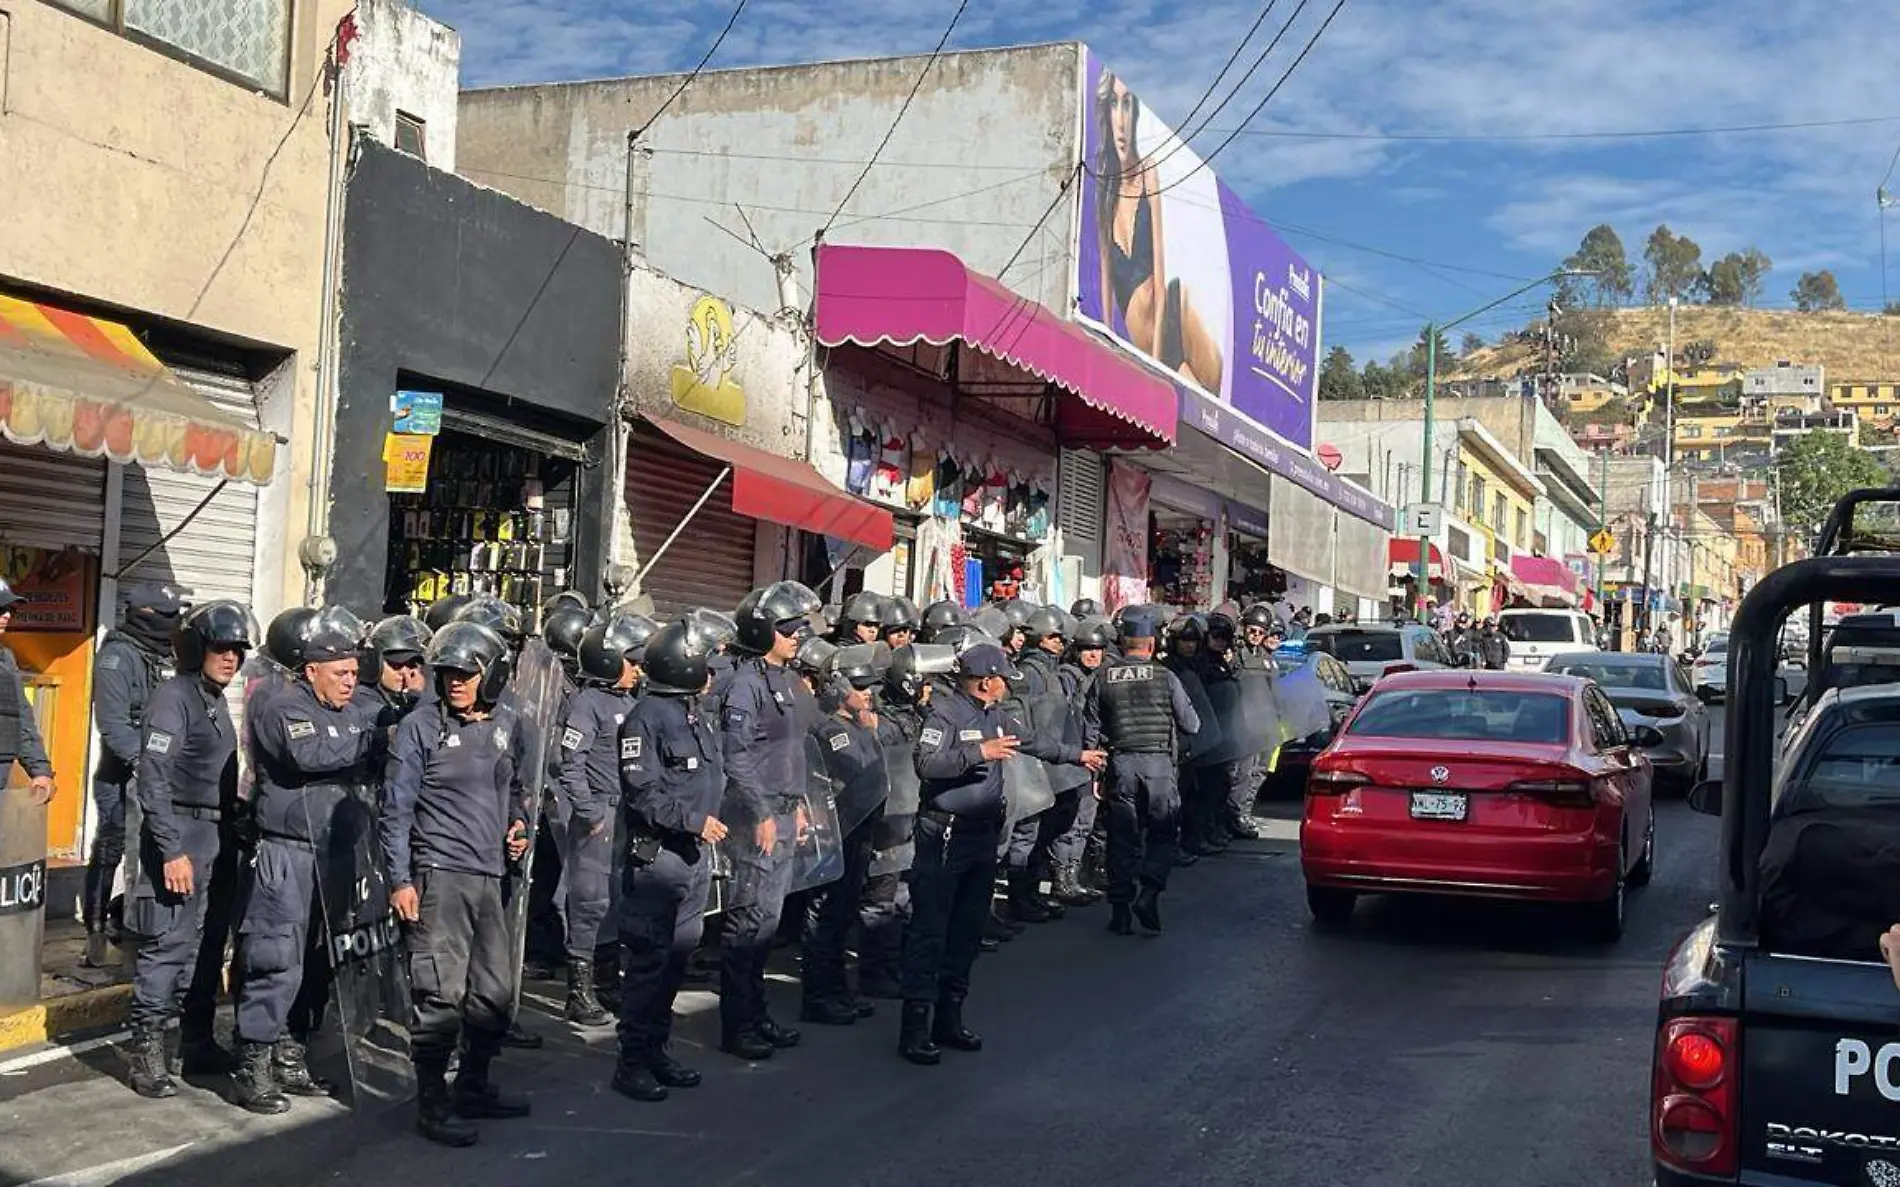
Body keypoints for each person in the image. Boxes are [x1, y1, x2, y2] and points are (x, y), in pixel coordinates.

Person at [381, 622, 535, 1147]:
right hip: (439, 877)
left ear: (490, 675)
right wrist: (401, 880)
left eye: (466, 675)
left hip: (490, 877)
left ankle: (474, 1085)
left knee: (494, 994)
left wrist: (517, 829)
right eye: (447, 674)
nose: (455, 683)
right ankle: (432, 1102)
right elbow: (395, 809)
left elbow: (516, 792)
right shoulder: (419, 729)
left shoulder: (509, 725)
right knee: (441, 995)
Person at [233, 606, 377, 1115]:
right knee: (276, 957)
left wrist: (353, 734)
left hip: (336, 855)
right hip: (287, 853)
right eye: (340, 674)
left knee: (320, 959)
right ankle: (253, 1058)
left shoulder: (351, 707)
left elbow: (366, 729)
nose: (349, 683)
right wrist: (360, 739)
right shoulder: (279, 703)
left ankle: (290, 1048)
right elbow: (309, 756)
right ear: (310, 669)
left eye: (355, 673)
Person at [121, 600, 253, 1098]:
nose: (231, 659)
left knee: (206, 946)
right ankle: (147, 1052)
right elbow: (152, 777)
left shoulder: (215, 701)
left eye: (237, 651)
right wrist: (172, 849)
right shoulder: (172, 698)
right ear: (196, 647)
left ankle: (196, 1039)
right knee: (169, 944)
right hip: (179, 833)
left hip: (215, 837)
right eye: (221, 648)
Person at [609, 616, 727, 1102]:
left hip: (694, 861)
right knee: (650, 963)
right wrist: (692, 821)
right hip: (659, 860)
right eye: (705, 663)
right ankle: (632, 1060)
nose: (713, 673)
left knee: (677, 960)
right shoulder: (646, 718)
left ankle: (656, 1049)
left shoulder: (692, 713)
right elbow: (643, 794)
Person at [897, 643, 1022, 1066]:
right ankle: (914, 1028)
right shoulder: (945, 713)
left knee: (967, 932)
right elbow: (926, 763)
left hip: (982, 838)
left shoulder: (995, 715)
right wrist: (978, 754)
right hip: (944, 837)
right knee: (931, 931)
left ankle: (948, 1018)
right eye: (1003, 677)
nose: (1006, 685)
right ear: (987, 681)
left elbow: (1033, 740)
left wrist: (1077, 755)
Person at [717, 581, 819, 1060]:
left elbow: (790, 751)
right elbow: (735, 758)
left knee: (767, 925)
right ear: (762, 631)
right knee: (747, 924)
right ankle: (737, 1025)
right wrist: (760, 814)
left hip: (781, 812)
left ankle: (757, 1014)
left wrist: (796, 805)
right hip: (753, 820)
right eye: (788, 628)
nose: (798, 635)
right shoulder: (743, 685)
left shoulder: (785, 679)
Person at [1092, 69, 1223, 391]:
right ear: (1105, 113)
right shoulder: (1103, 190)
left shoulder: (1149, 170)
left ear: (1135, 114)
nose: (1120, 117)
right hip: (1144, 336)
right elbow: (1107, 283)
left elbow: (1160, 270)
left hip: (1169, 320)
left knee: (1211, 392)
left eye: (1127, 105)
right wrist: (1111, 348)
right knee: (1191, 417)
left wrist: (1153, 359)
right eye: (1113, 104)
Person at [555, 614, 655, 1027]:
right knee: (589, 900)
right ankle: (579, 991)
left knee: (616, 899)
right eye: (631, 662)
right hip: (599, 815)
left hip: (625, 815)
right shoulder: (587, 703)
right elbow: (569, 763)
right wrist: (589, 811)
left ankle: (607, 980)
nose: (638, 670)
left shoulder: (631, 703)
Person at [1084, 607, 1201, 936]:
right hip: (1159, 766)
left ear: (1122, 642)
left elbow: (1091, 729)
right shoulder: (1165, 676)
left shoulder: (1103, 677)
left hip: (1121, 766)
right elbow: (1192, 723)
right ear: (1151, 643)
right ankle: (1149, 892)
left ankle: (1120, 912)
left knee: (1122, 838)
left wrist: (1096, 775)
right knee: (1163, 833)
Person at [84, 582, 184, 966]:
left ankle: (134, 921)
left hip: (160, 773)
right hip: (121, 773)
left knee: (154, 849)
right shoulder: (118, 657)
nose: (175, 624)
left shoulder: (164, 655)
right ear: (147, 617)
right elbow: (112, 725)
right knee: (111, 846)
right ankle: (94, 933)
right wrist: (144, 765)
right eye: (169, 616)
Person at [801, 645, 889, 1025]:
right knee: (826, 915)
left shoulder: (857, 725)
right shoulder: (830, 730)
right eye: (859, 685)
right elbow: (857, 769)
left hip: (860, 829)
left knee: (843, 914)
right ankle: (818, 995)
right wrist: (871, 735)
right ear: (838, 688)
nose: (868, 692)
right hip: (836, 832)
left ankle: (838, 988)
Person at [1002, 608, 1106, 923]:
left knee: (1044, 832)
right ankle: (1021, 898)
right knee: (1027, 837)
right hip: (1036, 766)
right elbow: (1023, 727)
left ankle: (1031, 894)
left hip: (1055, 763)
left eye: (1062, 637)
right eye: (1053, 636)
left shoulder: (1051, 671)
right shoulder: (1030, 673)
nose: (1060, 642)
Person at [1049, 617, 1112, 904]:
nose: (1093, 654)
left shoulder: (1100, 676)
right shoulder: (1066, 677)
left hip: (1093, 755)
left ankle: (1074, 875)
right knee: (1073, 821)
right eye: (1087, 648)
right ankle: (1063, 879)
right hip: (1073, 758)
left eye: (1098, 649)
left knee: (1086, 821)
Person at [0, 577, 55, 812]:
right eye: (0, 609)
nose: (7, 615)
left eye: (9, 609)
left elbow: (21, 716)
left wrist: (40, 769)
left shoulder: (6, 659)